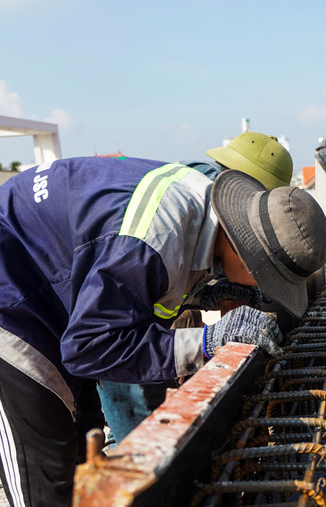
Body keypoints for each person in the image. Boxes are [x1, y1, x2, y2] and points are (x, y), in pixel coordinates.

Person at [0, 158, 326, 507]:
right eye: (266, 281)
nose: (262, 291)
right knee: (47, 467)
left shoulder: (198, 216)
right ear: (245, 251)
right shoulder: (154, 238)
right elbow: (90, 347)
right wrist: (205, 339)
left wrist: (204, 299)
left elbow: (136, 302)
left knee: (83, 439)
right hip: (0, 288)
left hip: (58, 291)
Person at [95, 132, 295, 445]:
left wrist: (207, 294)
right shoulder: (190, 204)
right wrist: (208, 337)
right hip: (125, 323)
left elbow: (182, 275)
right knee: (138, 424)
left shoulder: (201, 185)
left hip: (147, 313)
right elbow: (114, 335)